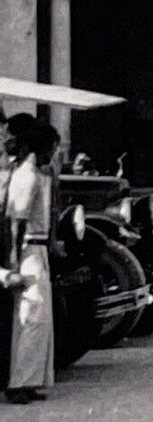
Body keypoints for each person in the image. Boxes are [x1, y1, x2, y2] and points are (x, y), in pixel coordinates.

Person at [5, 114, 59, 404]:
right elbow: (18, 221)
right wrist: (13, 263)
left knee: (37, 319)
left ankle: (31, 378)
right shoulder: (27, 176)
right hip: (29, 251)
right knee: (31, 317)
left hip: (37, 250)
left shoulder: (39, 175)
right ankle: (20, 382)